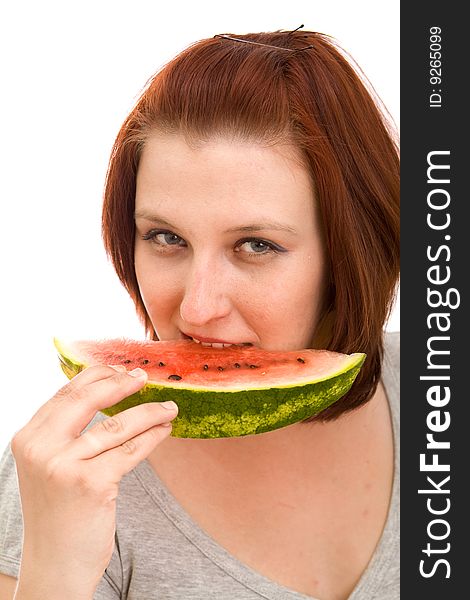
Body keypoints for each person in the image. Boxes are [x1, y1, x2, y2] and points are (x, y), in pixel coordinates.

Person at [0, 27, 400, 600]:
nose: (196, 306)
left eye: (256, 245)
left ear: (351, 249)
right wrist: (54, 574)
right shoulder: (69, 473)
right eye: (165, 237)